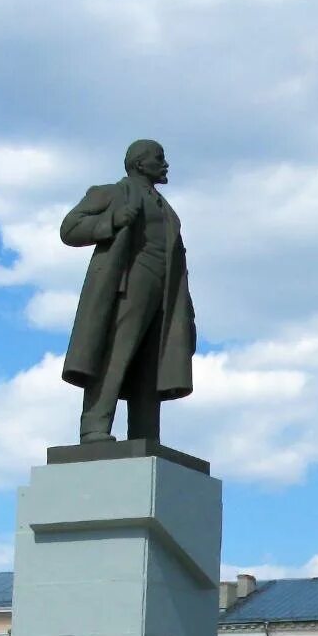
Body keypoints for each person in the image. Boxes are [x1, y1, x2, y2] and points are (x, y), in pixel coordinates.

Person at [57, 140, 197, 443]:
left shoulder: (167, 209)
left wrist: (185, 306)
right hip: (129, 284)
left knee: (151, 363)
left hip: (164, 290)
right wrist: (111, 222)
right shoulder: (112, 193)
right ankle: (94, 426)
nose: (165, 164)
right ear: (139, 163)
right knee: (115, 353)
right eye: (159, 158)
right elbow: (69, 228)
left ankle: (145, 434)